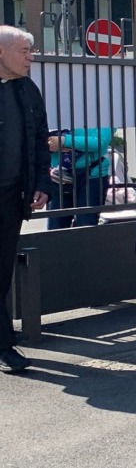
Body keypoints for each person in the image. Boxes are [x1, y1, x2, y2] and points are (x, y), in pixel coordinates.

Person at [0, 26, 51, 374]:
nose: (30, 57)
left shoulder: (27, 90)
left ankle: (4, 345)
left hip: (10, 197)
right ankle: (5, 345)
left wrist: (41, 182)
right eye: (23, 51)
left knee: (2, 273)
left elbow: (39, 140)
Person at [45, 125, 113, 228]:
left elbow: (99, 142)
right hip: (57, 176)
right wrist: (49, 143)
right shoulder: (57, 111)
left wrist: (64, 141)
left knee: (86, 227)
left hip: (92, 175)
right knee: (56, 228)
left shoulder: (102, 112)